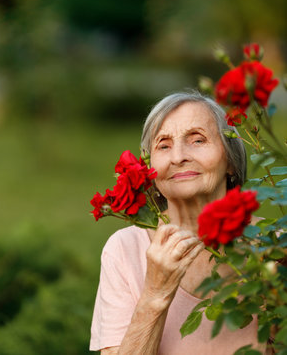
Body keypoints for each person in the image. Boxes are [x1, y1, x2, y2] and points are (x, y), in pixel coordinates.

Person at [90, 91, 265, 355]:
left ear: (230, 160)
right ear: (150, 168)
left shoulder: (272, 243)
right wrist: (155, 294)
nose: (178, 157)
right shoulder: (125, 250)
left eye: (197, 140)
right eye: (164, 145)